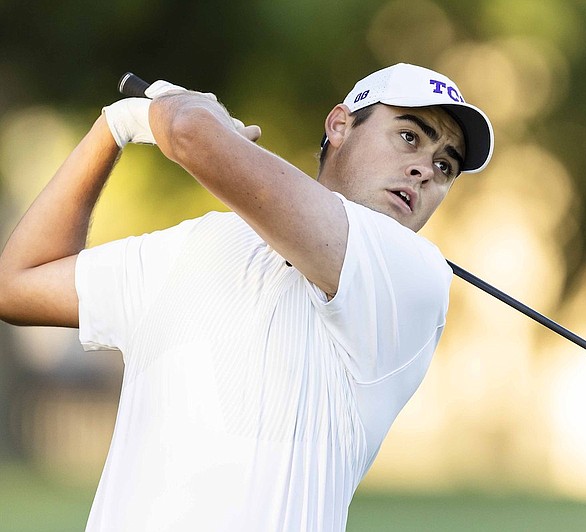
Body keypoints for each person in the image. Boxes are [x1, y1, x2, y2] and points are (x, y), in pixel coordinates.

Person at [0, 63, 493, 530]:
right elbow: (18, 285)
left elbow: (192, 134)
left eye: (445, 166)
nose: (425, 170)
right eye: (410, 137)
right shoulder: (196, 245)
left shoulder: (413, 273)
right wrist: (113, 128)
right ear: (340, 125)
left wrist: (177, 113)